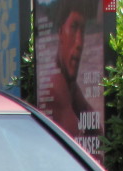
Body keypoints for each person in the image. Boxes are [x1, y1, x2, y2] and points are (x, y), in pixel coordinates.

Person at [46, 0, 95, 137]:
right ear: (61, 32)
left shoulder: (69, 85)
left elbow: (98, 131)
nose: (79, 42)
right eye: (73, 27)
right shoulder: (55, 87)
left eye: (83, 31)